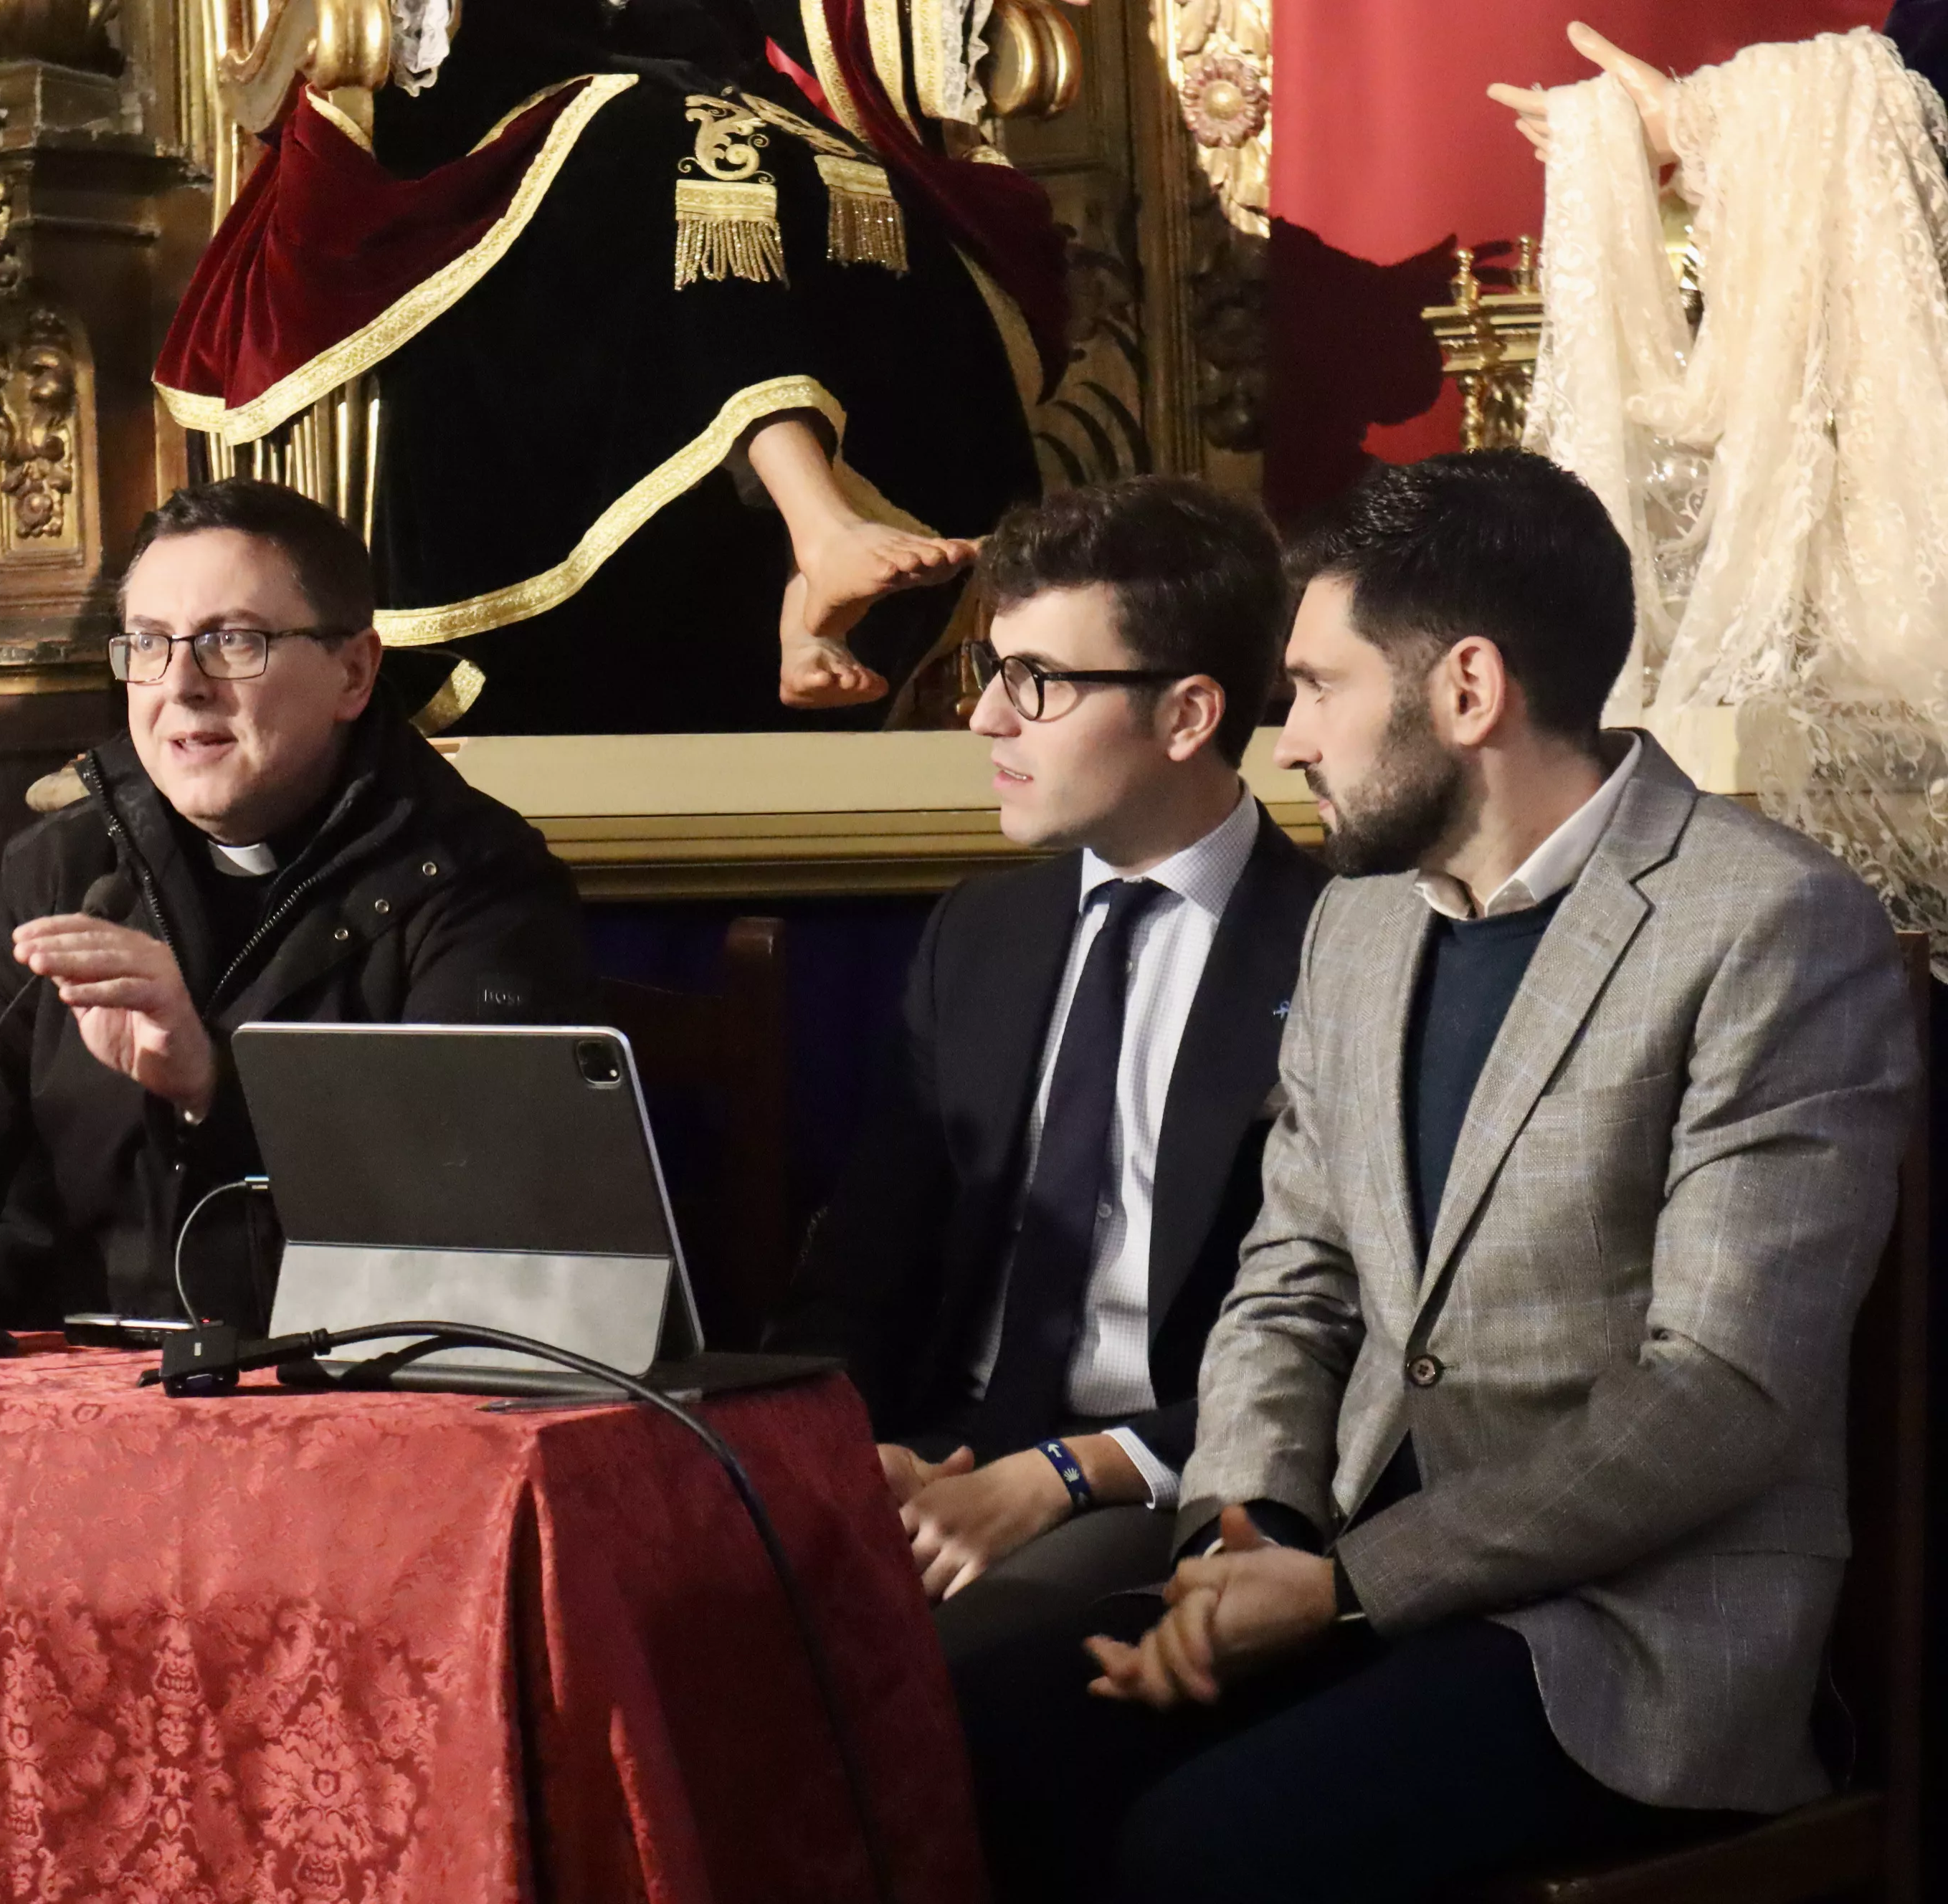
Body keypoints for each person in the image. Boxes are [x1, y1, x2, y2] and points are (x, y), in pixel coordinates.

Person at [959, 451, 1921, 1903]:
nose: (1288, 742)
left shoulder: (1770, 927)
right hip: (1338, 1564)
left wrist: (1347, 1583)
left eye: (1319, 688)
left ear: (1466, 690)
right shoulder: (1359, 925)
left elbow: (1721, 1391)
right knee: (982, 1735)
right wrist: (1251, 1521)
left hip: (1623, 1631)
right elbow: (1293, 1277)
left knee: (1204, 1847)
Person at [154, 0, 1075, 732]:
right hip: (489, 112)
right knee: (674, 148)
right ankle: (817, 525)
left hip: (710, 74)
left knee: (845, 183)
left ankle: (807, 582)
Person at [768, 476, 1326, 1663]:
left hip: (1166, 1471)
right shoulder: (979, 933)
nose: (982, 720)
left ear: (1184, 715)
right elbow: (858, 1275)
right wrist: (845, 1448)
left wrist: (1062, 1477)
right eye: (987, 668)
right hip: (948, 1444)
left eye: (1037, 684)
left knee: (936, 1674)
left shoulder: (1341, 949)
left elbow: (1341, 1337)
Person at [0, 479, 594, 1327]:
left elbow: (466, 1232)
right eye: (150, 643)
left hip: (350, 1403)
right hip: (79, 1400)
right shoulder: (64, 868)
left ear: (354, 672)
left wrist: (212, 1081)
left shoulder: (476, 883)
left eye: (233, 641)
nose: (182, 684)